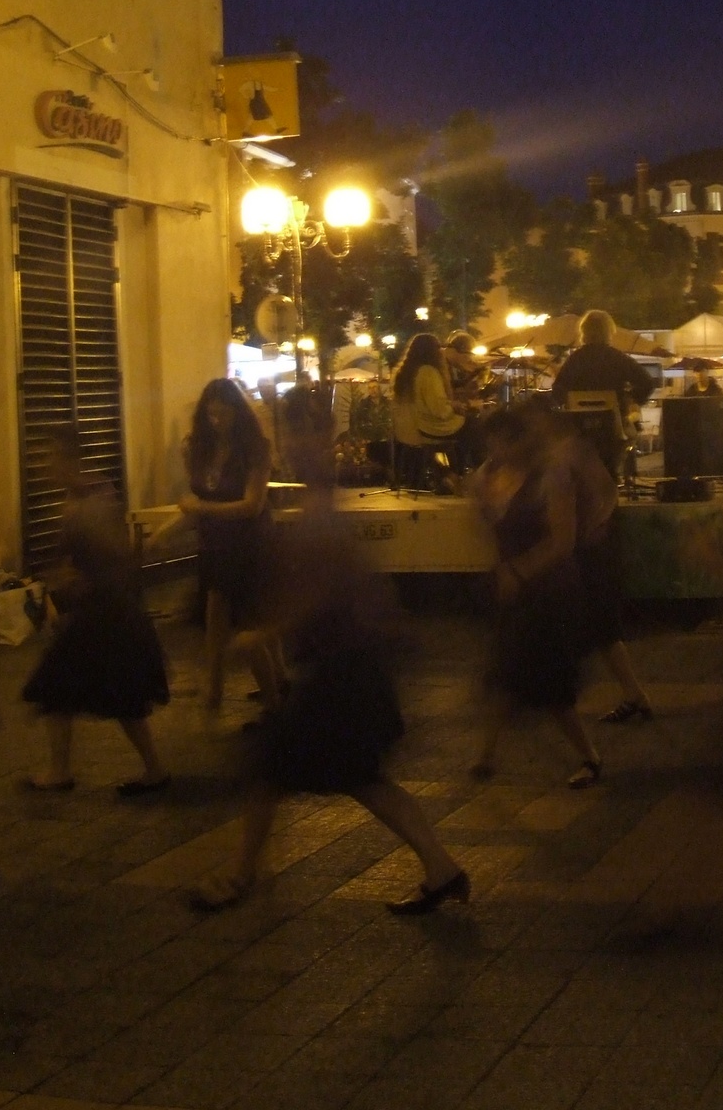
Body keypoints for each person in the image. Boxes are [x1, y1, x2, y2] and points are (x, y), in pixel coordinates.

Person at [189, 389, 468, 915]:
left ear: (326, 439)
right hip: (347, 667)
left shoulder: (321, 512)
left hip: (343, 671)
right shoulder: (319, 506)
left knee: (273, 769)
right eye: (292, 434)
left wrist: (263, 630)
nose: (297, 446)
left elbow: (322, 589)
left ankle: (242, 874)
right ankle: (442, 868)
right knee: (358, 779)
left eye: (307, 433)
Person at [21, 424, 171, 795]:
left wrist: (84, 578)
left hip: (107, 611)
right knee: (61, 686)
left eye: (49, 457)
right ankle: (63, 770)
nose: (45, 465)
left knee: (114, 693)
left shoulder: (92, 499)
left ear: (68, 458)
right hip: (98, 609)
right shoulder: (80, 497)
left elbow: (115, 554)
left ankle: (150, 770)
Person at [469, 402, 602, 789]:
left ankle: (589, 756)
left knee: (548, 684)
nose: (494, 451)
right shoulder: (489, 477)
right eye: (490, 443)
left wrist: (519, 570)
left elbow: (563, 541)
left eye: (501, 442)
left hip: (549, 591)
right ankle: (486, 755)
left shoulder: (551, 478)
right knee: (505, 672)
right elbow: (485, 524)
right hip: (515, 590)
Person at [542, 406, 655, 725]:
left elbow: (605, 492)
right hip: (587, 548)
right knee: (602, 630)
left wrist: (592, 526)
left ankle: (551, 697)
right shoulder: (570, 452)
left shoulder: (572, 453)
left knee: (592, 627)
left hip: (587, 551)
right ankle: (634, 695)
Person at [178, 378, 272, 713]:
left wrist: (201, 509)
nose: (217, 422)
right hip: (214, 544)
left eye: (224, 415)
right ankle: (215, 690)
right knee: (217, 618)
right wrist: (165, 532)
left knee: (249, 625)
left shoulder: (254, 448)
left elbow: (252, 505)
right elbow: (195, 498)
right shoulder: (198, 448)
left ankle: (272, 698)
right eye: (211, 415)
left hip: (248, 543)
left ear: (238, 413)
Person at [391, 333, 479, 482]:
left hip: (405, 430)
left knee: (467, 427)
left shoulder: (405, 373)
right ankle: (464, 475)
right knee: (474, 426)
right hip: (427, 428)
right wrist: (455, 406)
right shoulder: (428, 372)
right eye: (438, 348)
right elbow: (439, 410)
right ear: (431, 351)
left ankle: (452, 476)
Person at [551, 309, 656, 416]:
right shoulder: (618, 358)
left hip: (579, 423)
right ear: (609, 331)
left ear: (583, 331)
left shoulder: (575, 359)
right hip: (613, 421)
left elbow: (558, 390)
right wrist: (628, 399)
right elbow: (647, 383)